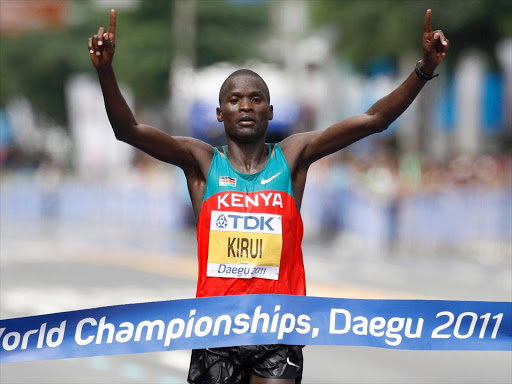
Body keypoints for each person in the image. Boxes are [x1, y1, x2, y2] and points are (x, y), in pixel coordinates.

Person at [88, 8, 449, 384]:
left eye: (256, 99)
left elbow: (374, 120)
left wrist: (423, 69)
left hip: (278, 327)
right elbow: (127, 130)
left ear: (271, 111)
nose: (246, 106)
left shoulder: (293, 157)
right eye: (235, 100)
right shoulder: (201, 163)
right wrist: (105, 71)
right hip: (216, 331)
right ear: (219, 113)